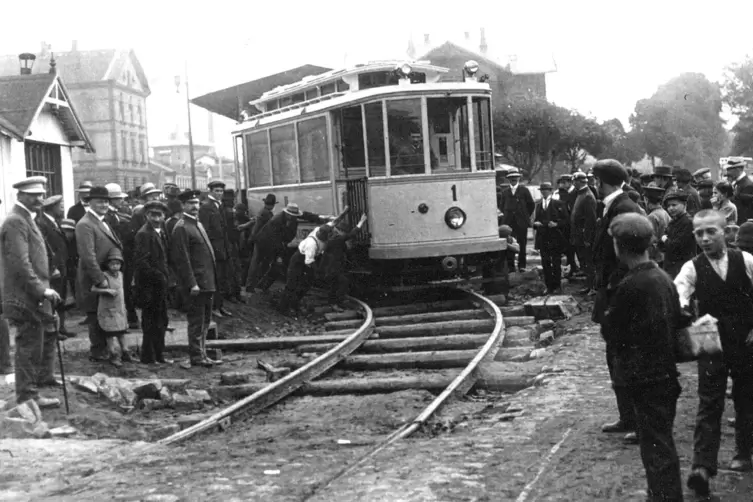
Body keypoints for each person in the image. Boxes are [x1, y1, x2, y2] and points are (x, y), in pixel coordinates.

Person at [604, 213, 685, 502]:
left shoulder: (630, 285)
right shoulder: (662, 277)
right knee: (661, 442)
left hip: (644, 377)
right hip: (664, 374)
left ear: (619, 246)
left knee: (655, 447)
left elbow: (612, 333)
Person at [674, 209, 753, 496]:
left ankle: (744, 452)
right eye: (699, 233)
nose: (705, 238)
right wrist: (685, 315)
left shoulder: (745, 260)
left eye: (711, 232)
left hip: (745, 340)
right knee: (709, 401)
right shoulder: (692, 267)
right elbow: (678, 294)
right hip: (710, 342)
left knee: (746, 397)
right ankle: (702, 467)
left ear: (727, 232)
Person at [590, 159, 642, 440]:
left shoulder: (624, 208)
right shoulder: (615, 205)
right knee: (616, 356)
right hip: (611, 291)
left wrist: (616, 293)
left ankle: (635, 419)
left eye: (595, 180)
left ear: (601, 181)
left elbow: (628, 257)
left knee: (625, 356)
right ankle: (627, 417)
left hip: (618, 292)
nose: (593, 185)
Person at [0, 176, 62, 408]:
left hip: (34, 293)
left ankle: (36, 387)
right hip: (25, 296)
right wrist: (40, 289)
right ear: (20, 196)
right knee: (28, 346)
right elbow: (20, 262)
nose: (39, 199)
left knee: (40, 339)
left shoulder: (27, 218)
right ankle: (27, 396)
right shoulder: (16, 221)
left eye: (41, 194)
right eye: (33, 195)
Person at [170, 189, 218, 368]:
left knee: (205, 321)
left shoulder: (197, 224)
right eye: (190, 204)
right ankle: (197, 356)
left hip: (207, 281)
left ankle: (203, 353)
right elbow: (182, 260)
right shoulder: (182, 227)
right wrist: (192, 283)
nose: (195, 207)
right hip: (196, 284)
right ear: (183, 206)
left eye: (197, 203)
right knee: (197, 321)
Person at [75, 186, 123, 362]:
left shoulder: (103, 221)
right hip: (95, 279)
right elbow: (88, 256)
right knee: (96, 315)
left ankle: (106, 351)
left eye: (106, 201)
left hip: (108, 276)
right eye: (99, 201)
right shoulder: (85, 224)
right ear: (90, 203)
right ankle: (98, 353)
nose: (104, 204)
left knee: (105, 313)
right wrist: (100, 279)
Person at [247, 202, 333, 293]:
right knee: (257, 263)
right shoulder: (276, 221)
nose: (294, 217)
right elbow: (276, 239)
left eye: (295, 215)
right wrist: (279, 254)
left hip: (277, 243)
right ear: (287, 214)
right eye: (292, 216)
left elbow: (307, 215)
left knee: (276, 266)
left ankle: (262, 287)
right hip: (264, 242)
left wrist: (321, 219)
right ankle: (250, 287)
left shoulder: (292, 216)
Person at [133, 200, 171, 365]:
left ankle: (159, 355)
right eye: (152, 215)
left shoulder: (161, 232)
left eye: (159, 215)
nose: (156, 218)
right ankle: (148, 357)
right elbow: (142, 263)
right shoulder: (144, 234)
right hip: (149, 286)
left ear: (164, 216)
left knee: (161, 320)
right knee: (151, 321)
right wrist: (159, 276)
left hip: (160, 284)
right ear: (146, 215)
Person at [36, 194, 73, 338]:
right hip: (53, 269)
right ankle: (53, 329)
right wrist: (52, 268)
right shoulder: (42, 223)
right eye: (60, 206)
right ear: (52, 208)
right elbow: (44, 248)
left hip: (61, 266)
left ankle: (61, 327)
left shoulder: (55, 222)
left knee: (61, 297)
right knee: (52, 299)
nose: (62, 208)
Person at [91, 248, 132, 367]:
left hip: (119, 308)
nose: (115, 267)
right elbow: (93, 289)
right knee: (110, 333)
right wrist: (106, 290)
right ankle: (113, 354)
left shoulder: (120, 275)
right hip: (108, 309)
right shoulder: (104, 276)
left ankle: (125, 352)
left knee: (121, 332)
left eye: (118, 264)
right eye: (112, 264)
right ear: (107, 264)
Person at [105, 183, 138, 329]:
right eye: (118, 198)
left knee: (126, 288)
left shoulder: (117, 215)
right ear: (111, 200)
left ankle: (129, 318)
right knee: (122, 288)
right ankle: (127, 319)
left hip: (125, 257)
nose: (121, 201)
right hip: (118, 258)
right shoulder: (109, 217)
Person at [199, 180, 232, 318]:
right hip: (214, 249)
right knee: (215, 279)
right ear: (210, 191)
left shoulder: (219, 206)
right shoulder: (206, 207)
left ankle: (220, 306)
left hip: (222, 248)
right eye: (216, 191)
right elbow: (205, 230)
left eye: (221, 191)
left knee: (222, 279)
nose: (219, 193)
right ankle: (214, 308)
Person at [321, 214, 368, 307]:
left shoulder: (333, 239)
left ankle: (334, 303)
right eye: (343, 231)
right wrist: (361, 222)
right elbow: (351, 234)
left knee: (335, 285)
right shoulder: (337, 239)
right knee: (343, 282)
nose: (344, 233)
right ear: (339, 231)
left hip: (331, 267)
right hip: (333, 268)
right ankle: (337, 302)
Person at [533, 182, 569, 294]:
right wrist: (536, 224)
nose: (544, 192)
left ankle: (557, 286)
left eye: (546, 190)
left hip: (555, 238)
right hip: (543, 238)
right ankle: (549, 286)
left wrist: (557, 224)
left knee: (556, 262)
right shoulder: (538, 205)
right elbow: (535, 221)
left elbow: (566, 220)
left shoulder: (558, 204)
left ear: (551, 191)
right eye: (542, 190)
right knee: (545, 263)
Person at [499, 168, 535, 272]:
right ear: (508, 179)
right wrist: (508, 215)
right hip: (509, 223)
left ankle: (522, 266)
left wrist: (524, 215)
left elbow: (531, 205)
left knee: (522, 244)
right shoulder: (505, 192)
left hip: (521, 223)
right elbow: (502, 206)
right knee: (510, 244)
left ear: (518, 178)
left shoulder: (524, 190)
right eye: (511, 178)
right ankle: (511, 267)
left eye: (515, 178)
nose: (513, 179)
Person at [571, 171, 597, 295]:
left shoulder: (587, 195)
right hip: (578, 234)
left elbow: (590, 219)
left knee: (589, 262)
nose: (573, 183)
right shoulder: (580, 194)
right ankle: (589, 285)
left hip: (584, 235)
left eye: (574, 181)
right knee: (584, 262)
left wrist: (587, 237)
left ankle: (593, 287)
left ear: (579, 182)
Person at [244, 193, 278, 292]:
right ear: (272, 205)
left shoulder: (263, 211)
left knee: (257, 263)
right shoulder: (267, 213)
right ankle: (251, 286)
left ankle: (252, 285)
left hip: (258, 240)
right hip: (261, 241)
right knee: (257, 264)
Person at [659, 191, 696, 279]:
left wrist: (665, 239)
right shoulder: (674, 221)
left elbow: (675, 245)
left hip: (682, 266)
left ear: (684, 204)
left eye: (674, 205)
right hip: (671, 265)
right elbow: (661, 246)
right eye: (668, 206)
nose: (671, 208)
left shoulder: (688, 222)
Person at [644, 186, 671, 268]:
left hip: (656, 258)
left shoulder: (651, 217)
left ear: (647, 200)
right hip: (664, 255)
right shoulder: (664, 212)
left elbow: (651, 241)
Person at [726, 158, 753, 224]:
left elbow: (742, 209)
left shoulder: (747, 185)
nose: (727, 173)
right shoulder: (737, 183)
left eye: (729, 170)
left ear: (738, 169)